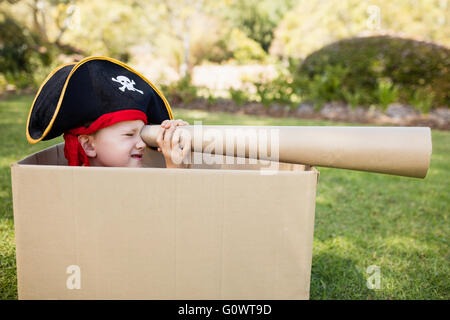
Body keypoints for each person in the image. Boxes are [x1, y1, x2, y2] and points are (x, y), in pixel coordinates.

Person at [26, 56, 191, 168]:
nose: (142, 144)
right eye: (128, 134)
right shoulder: (82, 191)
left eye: (142, 134)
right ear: (88, 145)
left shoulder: (137, 173)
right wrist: (174, 170)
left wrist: (173, 149)